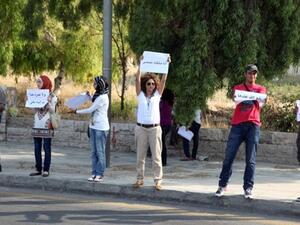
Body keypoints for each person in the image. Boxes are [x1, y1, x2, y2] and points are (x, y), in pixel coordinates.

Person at [215, 64, 267, 199]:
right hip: (237, 126)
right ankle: (222, 185)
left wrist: (261, 98)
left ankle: (248, 187)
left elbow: (262, 101)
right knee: (229, 156)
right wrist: (249, 96)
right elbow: (236, 98)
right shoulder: (238, 88)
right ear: (245, 74)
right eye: (250, 73)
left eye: (254, 73)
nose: (252, 76)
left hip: (253, 126)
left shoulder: (261, 89)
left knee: (251, 160)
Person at [133, 55, 171, 191]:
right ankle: (139, 179)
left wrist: (166, 65)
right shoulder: (140, 95)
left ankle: (157, 180)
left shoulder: (157, 95)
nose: (151, 85)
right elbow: (136, 79)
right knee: (140, 156)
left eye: (153, 83)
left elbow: (164, 79)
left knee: (156, 156)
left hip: (155, 129)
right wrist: (140, 64)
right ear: (145, 85)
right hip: (141, 128)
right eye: (148, 83)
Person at [75, 76, 109, 182]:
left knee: (100, 152)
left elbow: (91, 109)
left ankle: (100, 174)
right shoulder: (97, 95)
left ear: (99, 85)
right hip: (93, 126)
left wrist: (77, 111)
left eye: (95, 83)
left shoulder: (102, 97)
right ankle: (94, 173)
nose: (93, 84)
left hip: (100, 128)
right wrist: (89, 97)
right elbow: (94, 103)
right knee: (94, 152)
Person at [30, 75, 57, 177]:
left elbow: (53, 111)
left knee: (46, 147)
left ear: (45, 82)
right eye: (37, 82)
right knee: (37, 148)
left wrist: (48, 103)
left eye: (40, 82)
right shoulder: (36, 94)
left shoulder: (53, 96)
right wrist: (30, 101)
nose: (38, 84)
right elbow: (34, 109)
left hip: (47, 125)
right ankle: (38, 169)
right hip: (37, 124)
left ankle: (46, 170)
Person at [160, 88, 174, 166]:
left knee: (161, 144)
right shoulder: (170, 103)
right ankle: (163, 161)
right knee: (162, 143)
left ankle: (163, 161)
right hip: (168, 125)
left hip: (162, 125)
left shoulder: (162, 103)